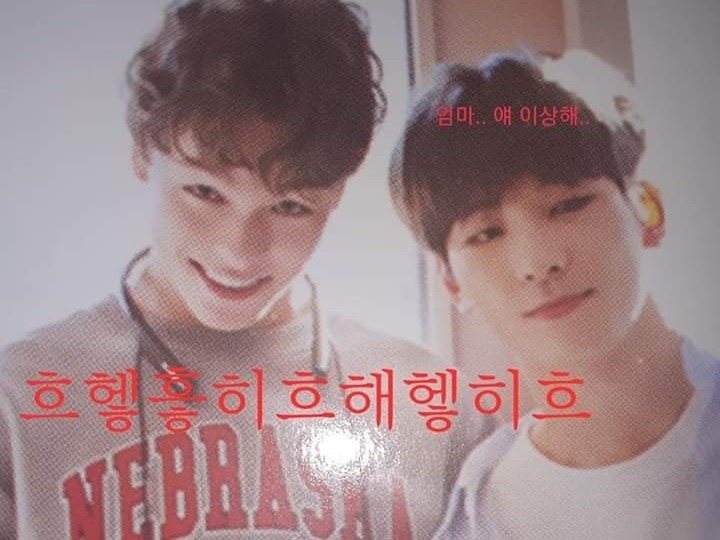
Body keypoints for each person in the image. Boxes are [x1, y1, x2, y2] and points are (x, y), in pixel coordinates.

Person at [0, 1, 487, 538]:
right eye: (204, 192)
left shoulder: (436, 407)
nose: (239, 251)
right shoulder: (16, 404)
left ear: (339, 193)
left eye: (290, 206)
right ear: (142, 154)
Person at [389, 49, 720, 539]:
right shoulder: (480, 513)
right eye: (486, 233)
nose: (537, 263)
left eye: (569, 205)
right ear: (451, 281)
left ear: (647, 210)